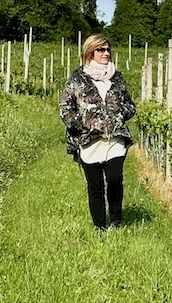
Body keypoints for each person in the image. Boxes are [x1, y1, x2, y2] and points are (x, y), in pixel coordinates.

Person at [59, 34, 136, 231]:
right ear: (89, 52)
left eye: (108, 49)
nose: (106, 53)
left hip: (115, 138)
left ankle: (117, 221)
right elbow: (65, 109)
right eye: (101, 50)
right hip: (88, 140)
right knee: (95, 187)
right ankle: (100, 227)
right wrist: (84, 124)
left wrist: (118, 115)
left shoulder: (117, 78)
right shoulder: (77, 79)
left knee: (114, 178)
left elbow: (130, 105)